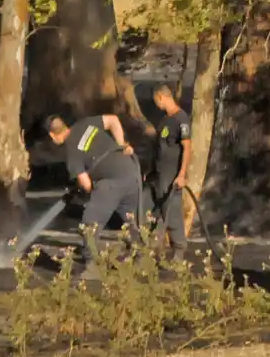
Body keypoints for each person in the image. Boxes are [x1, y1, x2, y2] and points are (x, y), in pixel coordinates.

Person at [47, 112, 143, 257]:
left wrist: (87, 192)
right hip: (131, 171)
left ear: (52, 135)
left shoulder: (71, 151)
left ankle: (91, 265)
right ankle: (142, 257)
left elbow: (86, 184)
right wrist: (120, 145)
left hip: (111, 182)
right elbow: (113, 119)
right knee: (130, 219)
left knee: (89, 224)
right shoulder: (85, 123)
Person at [150, 85, 192, 258]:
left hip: (172, 175)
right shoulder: (165, 120)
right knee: (157, 212)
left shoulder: (181, 119)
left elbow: (187, 148)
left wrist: (181, 174)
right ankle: (153, 251)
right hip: (159, 175)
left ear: (161, 97)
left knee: (172, 212)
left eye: (156, 102)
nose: (156, 106)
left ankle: (179, 251)